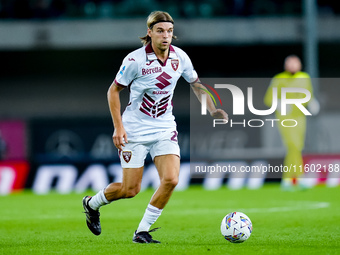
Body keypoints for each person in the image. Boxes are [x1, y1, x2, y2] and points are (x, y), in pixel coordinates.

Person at [83, 10, 228, 243]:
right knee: (130, 190)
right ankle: (91, 204)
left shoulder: (180, 58)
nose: (165, 35)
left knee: (171, 180)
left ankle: (141, 231)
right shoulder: (134, 60)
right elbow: (113, 91)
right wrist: (118, 127)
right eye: (160, 31)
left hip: (164, 127)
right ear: (149, 33)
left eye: (169, 31)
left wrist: (212, 109)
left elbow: (196, 84)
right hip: (135, 130)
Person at [264, 55, 319, 190]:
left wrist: (312, 102)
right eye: (290, 63)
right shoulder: (278, 79)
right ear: (285, 65)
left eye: (295, 63)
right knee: (293, 145)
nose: (293, 66)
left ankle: (288, 179)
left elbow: (308, 95)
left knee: (297, 147)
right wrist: (279, 104)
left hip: (300, 116)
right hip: (285, 117)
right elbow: (269, 99)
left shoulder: (304, 77)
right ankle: (298, 177)